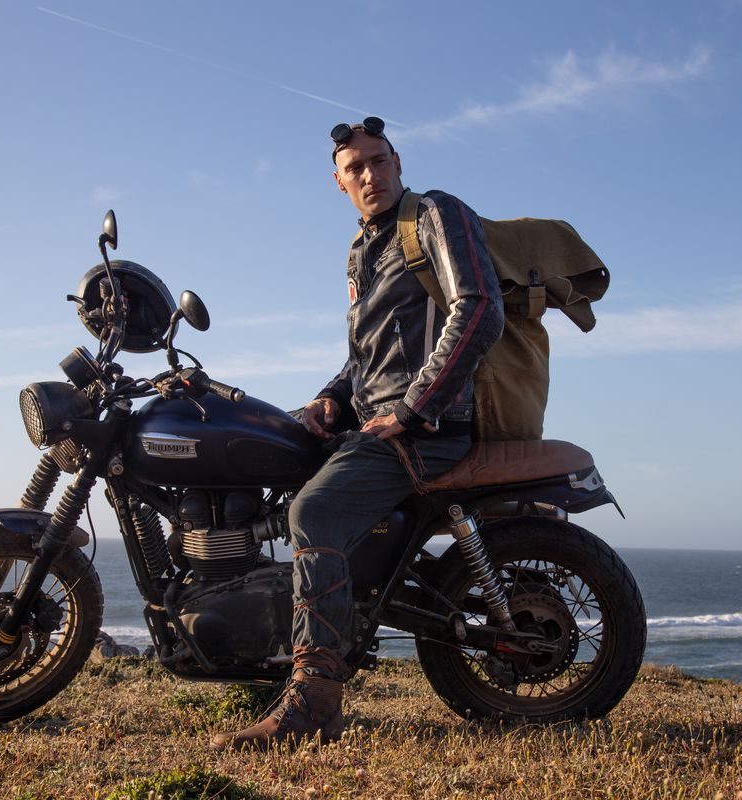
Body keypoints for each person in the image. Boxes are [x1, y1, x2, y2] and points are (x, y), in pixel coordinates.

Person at [210, 117, 504, 750]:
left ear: (397, 161)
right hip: (381, 421)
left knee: (313, 511)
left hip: (424, 429)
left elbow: (478, 306)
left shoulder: (434, 215)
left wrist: (415, 408)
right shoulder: (361, 248)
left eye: (379, 160)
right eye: (356, 168)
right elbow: (369, 357)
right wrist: (330, 399)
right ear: (337, 182)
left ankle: (316, 697)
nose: (371, 174)